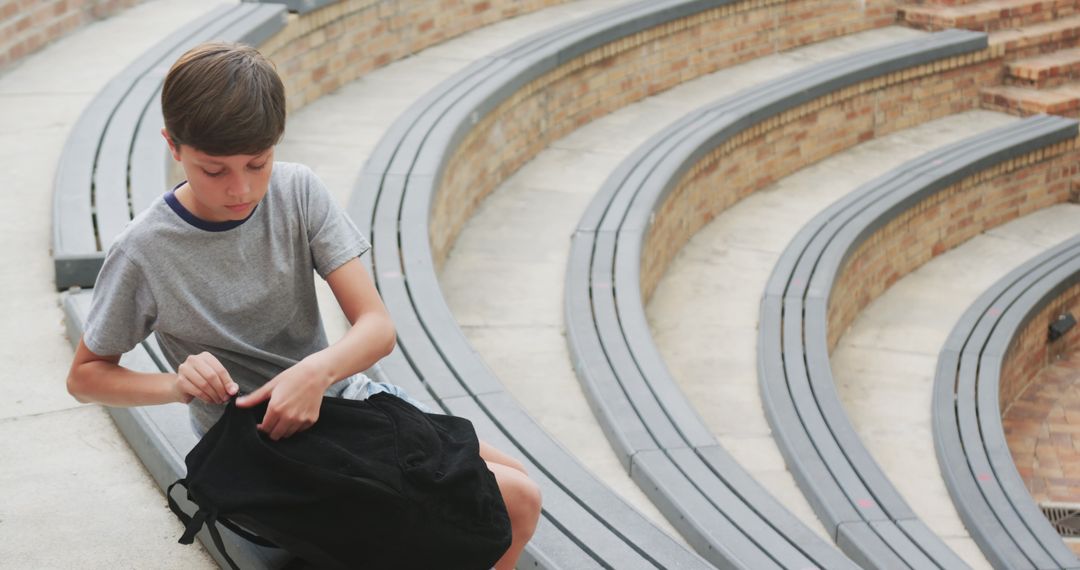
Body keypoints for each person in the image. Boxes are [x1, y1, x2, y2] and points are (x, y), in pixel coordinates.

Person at [65, 41, 540, 569]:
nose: (240, 189)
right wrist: (176, 386)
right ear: (173, 146)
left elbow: (377, 326)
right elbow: (86, 376)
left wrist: (316, 373)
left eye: (257, 163)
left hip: (346, 403)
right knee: (515, 501)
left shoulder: (297, 191)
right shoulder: (145, 250)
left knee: (516, 486)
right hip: (263, 449)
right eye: (214, 170)